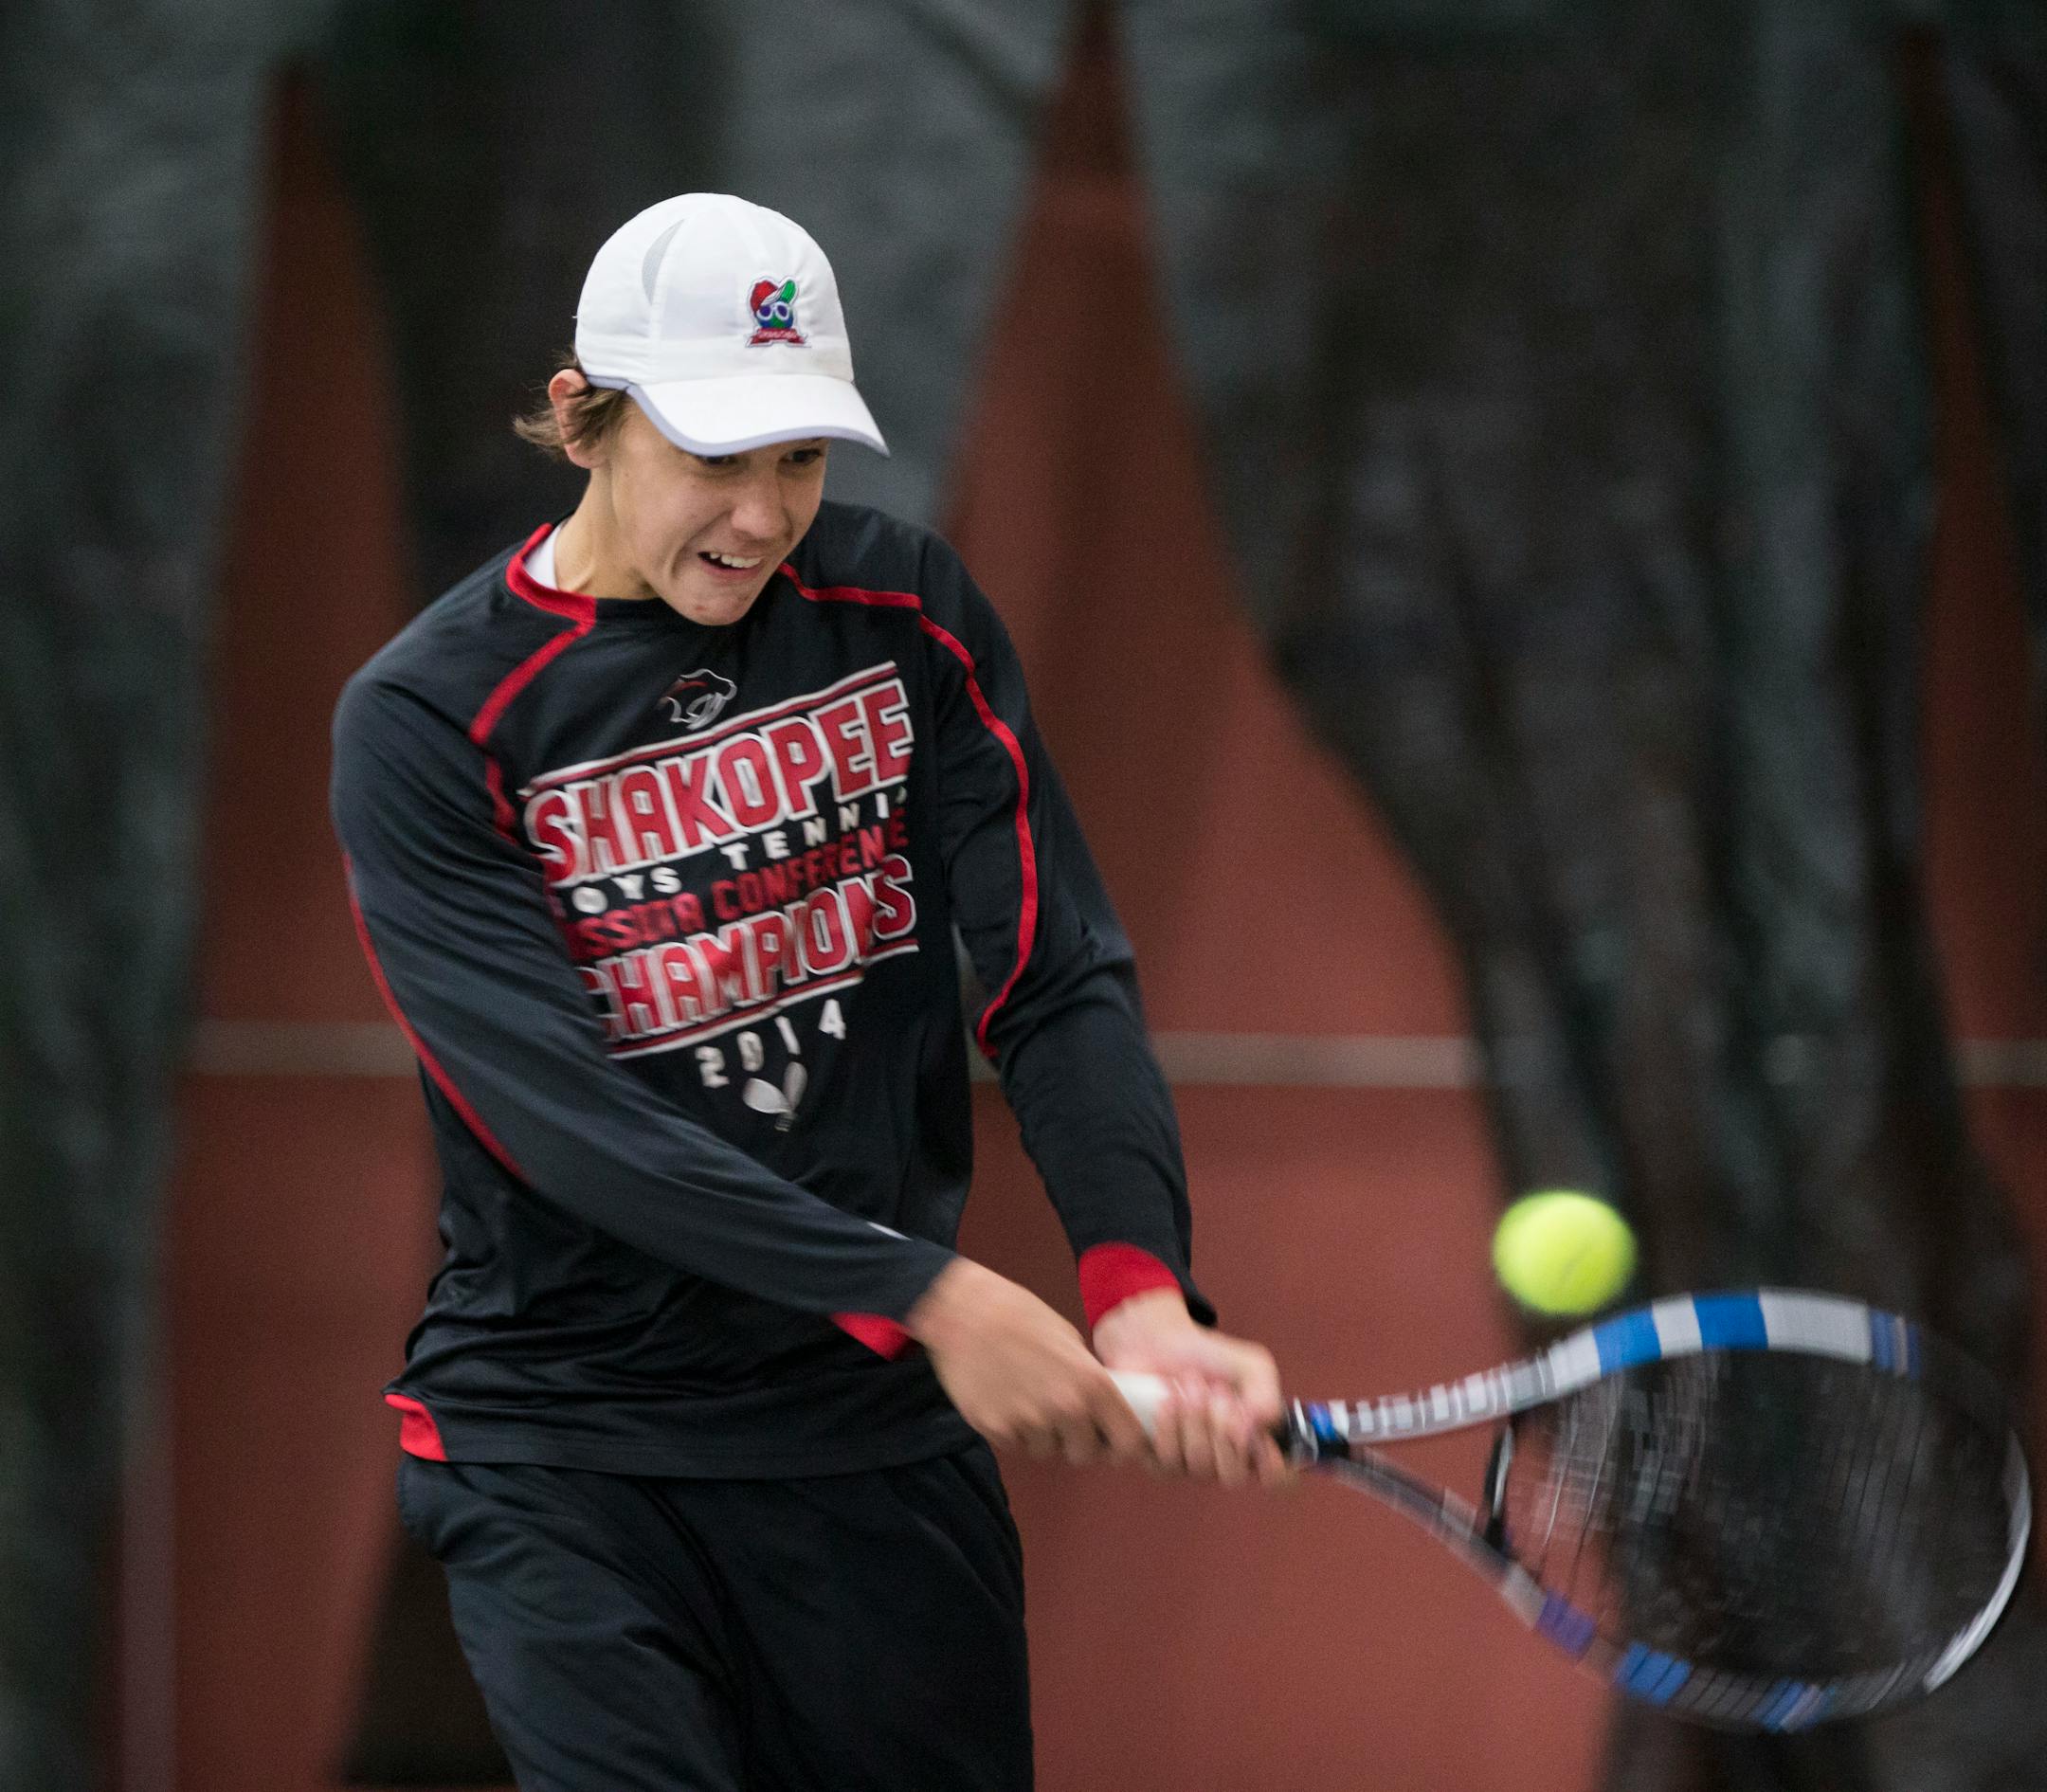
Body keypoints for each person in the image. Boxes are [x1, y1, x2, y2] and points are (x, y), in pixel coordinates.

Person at [332, 191, 1286, 1792]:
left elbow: (1056, 975)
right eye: (717, 455)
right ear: (583, 419)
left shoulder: (903, 613)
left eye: (802, 457)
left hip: (871, 1455)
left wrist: (1138, 1286)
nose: (767, 513)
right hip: (571, 1454)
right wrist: (929, 1292)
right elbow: (566, 1122)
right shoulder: (429, 721)